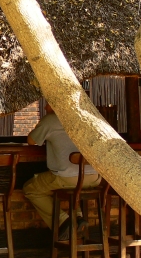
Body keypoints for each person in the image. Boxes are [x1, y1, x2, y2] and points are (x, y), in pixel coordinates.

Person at [24, 103, 101, 240]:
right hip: (95, 177)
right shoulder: (84, 118)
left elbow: (31, 141)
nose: (45, 108)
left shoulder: (50, 120)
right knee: (75, 189)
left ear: (56, 103)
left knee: (30, 188)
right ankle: (78, 218)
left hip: (67, 177)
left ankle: (63, 220)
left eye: (48, 104)